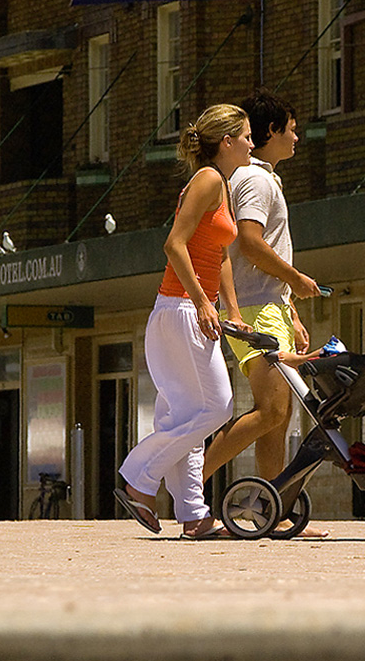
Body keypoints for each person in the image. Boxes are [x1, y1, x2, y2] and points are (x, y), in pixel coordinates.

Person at [114, 104, 254, 539]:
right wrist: (201, 302)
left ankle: (194, 514)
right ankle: (140, 478)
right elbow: (174, 245)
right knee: (217, 407)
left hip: (184, 311)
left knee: (185, 416)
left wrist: (230, 310)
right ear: (226, 142)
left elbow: (220, 256)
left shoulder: (223, 185)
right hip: (180, 310)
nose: (252, 143)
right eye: (246, 136)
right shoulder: (210, 179)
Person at [201, 88, 326, 536]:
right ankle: (189, 486)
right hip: (255, 309)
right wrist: (295, 279)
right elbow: (250, 243)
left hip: (268, 305)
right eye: (291, 129)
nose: (297, 138)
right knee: (273, 410)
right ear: (273, 129)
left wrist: (289, 308)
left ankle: (271, 511)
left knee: (279, 414)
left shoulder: (261, 176)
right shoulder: (254, 180)